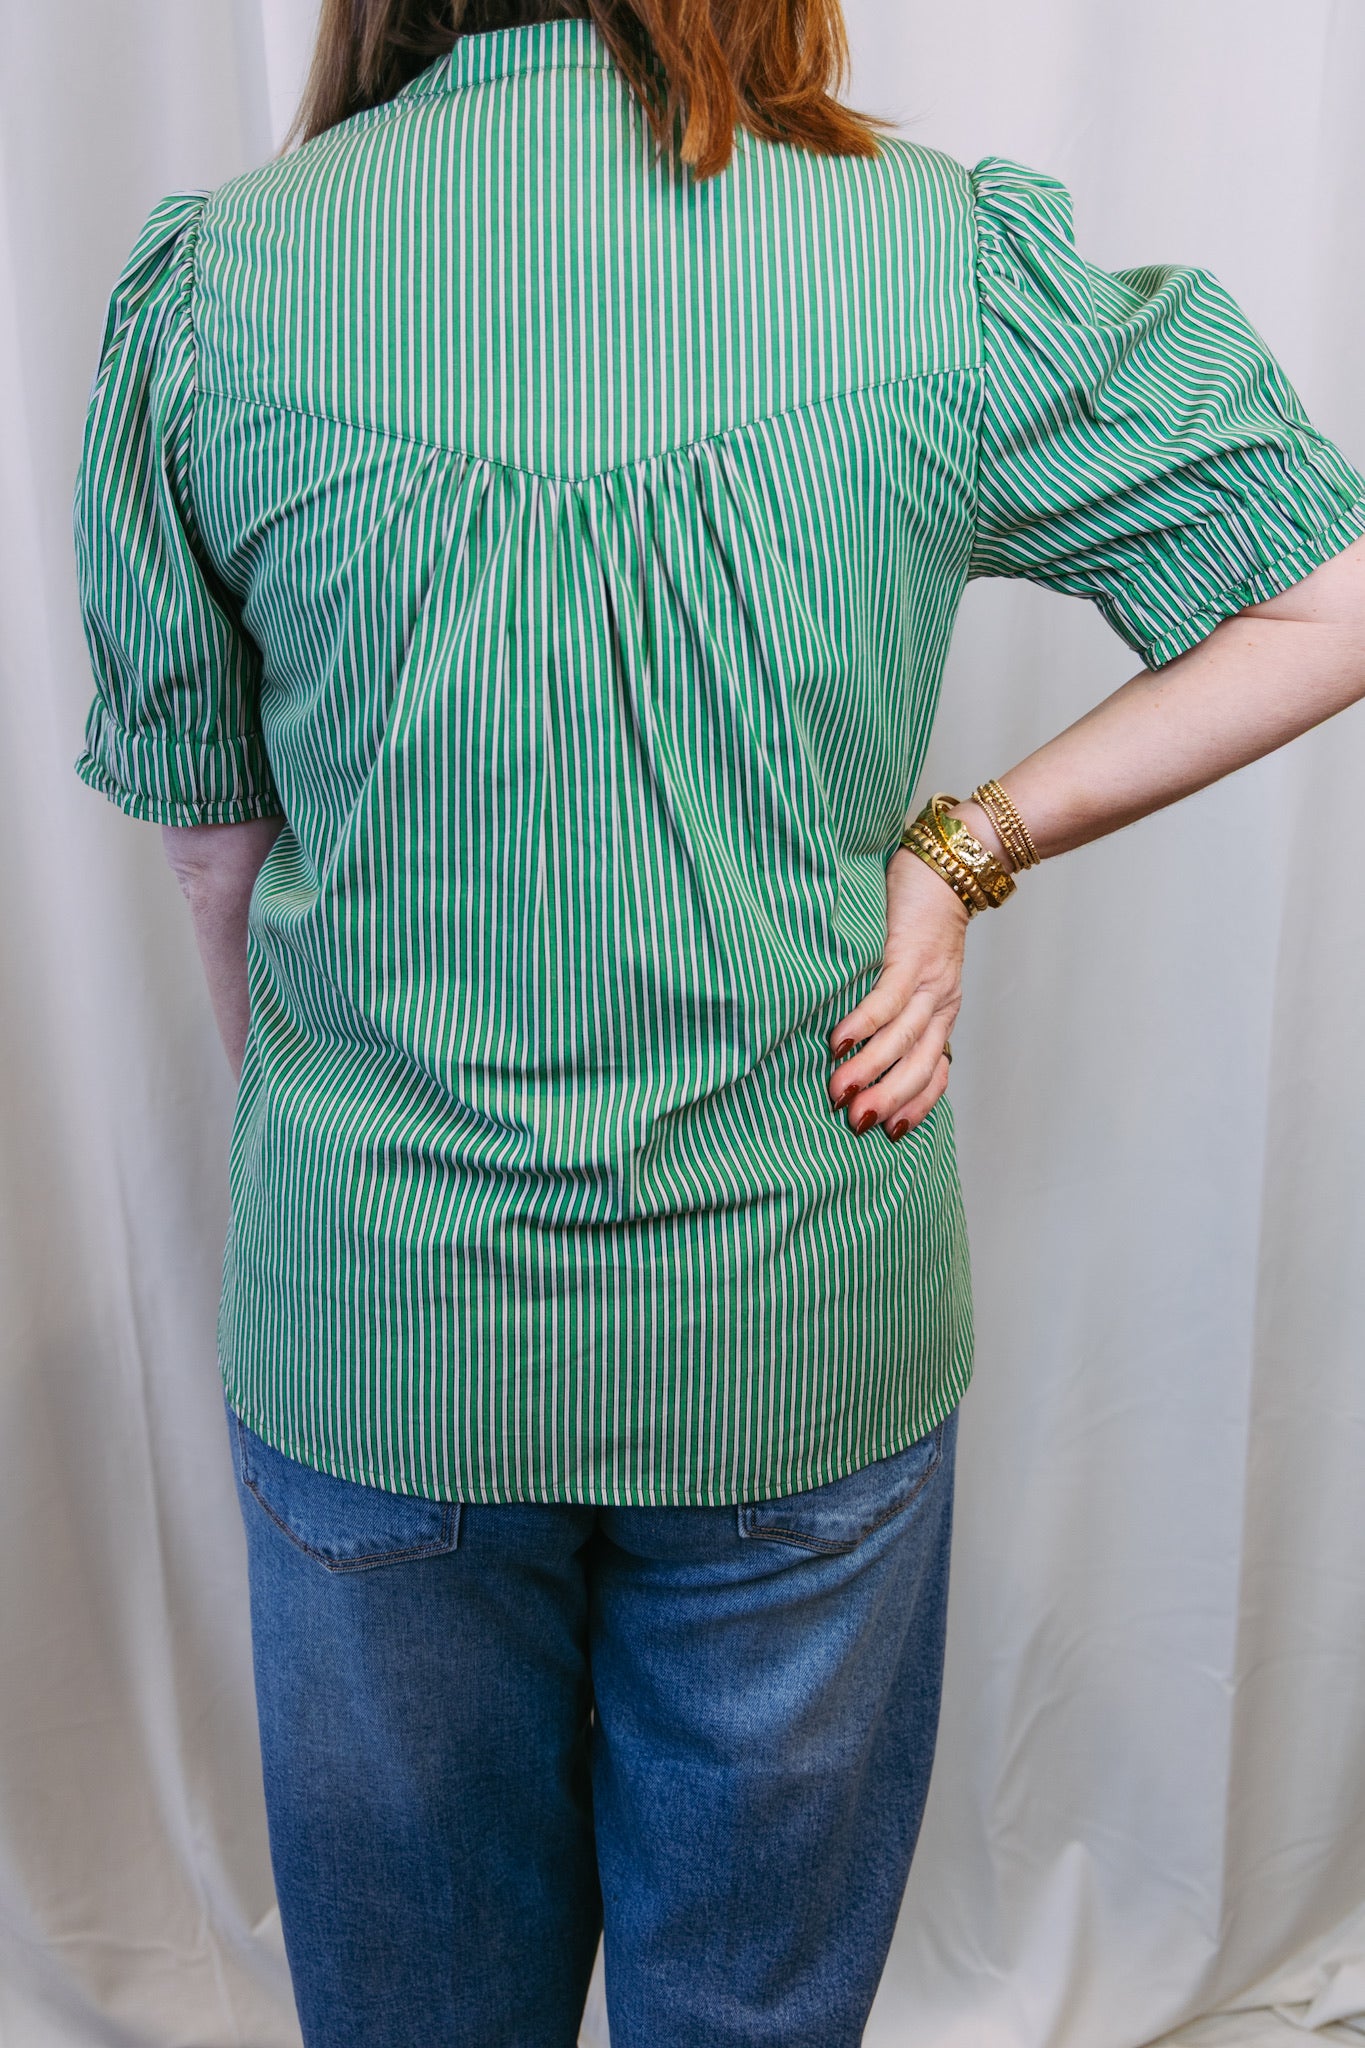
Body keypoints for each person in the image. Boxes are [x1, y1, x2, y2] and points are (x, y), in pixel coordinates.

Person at [71, 0, 1365, 2042]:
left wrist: (339, 1165)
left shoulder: (225, 284)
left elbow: (214, 853)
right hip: (797, 1313)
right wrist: (962, 848)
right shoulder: (928, 254)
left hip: (382, 1328)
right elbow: (1329, 593)